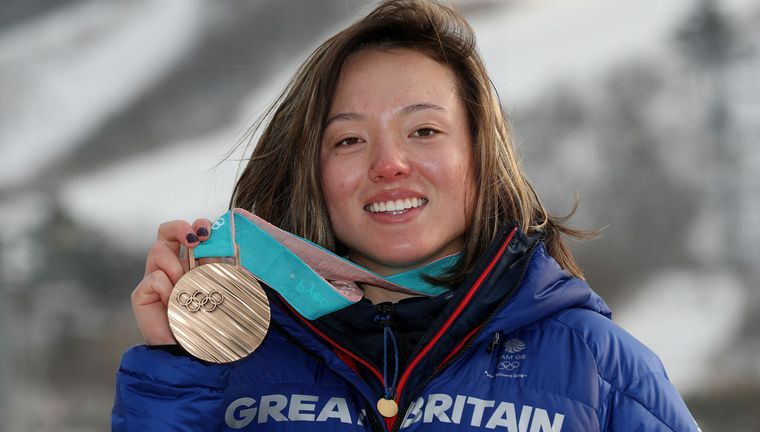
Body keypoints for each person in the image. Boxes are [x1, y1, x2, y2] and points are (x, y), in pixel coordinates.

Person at [112, 1, 700, 430]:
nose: (389, 164)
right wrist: (175, 364)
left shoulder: (600, 367)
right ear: (311, 172)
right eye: (348, 141)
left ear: (479, 156)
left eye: (424, 130)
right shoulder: (227, 363)